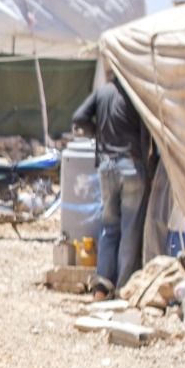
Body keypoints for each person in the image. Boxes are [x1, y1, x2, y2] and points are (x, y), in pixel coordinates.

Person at [73, 72, 150, 298]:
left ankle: (102, 285)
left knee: (108, 226)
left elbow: (79, 118)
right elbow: (146, 135)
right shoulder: (136, 95)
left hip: (106, 167)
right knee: (130, 228)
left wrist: (96, 131)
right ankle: (123, 288)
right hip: (132, 165)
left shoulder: (103, 92)